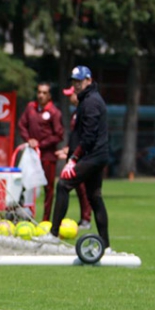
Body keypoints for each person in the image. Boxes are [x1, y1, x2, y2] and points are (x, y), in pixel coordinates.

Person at [41, 66, 110, 250]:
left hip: (93, 156)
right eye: (74, 81)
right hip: (95, 156)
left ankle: (53, 235)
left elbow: (88, 137)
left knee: (63, 184)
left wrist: (73, 159)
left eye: (79, 81)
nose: (76, 85)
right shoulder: (87, 100)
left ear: (88, 80)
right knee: (95, 197)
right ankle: (106, 244)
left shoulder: (91, 102)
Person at [18, 82, 64, 221]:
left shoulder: (54, 112)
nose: (41, 95)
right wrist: (29, 139)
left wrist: (41, 144)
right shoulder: (30, 108)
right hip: (31, 155)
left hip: (47, 156)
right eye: (39, 92)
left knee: (48, 188)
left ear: (49, 95)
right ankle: (24, 215)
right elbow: (22, 125)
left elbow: (58, 135)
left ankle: (46, 220)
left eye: (44, 93)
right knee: (24, 184)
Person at [59, 86, 92, 229]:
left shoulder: (84, 111)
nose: (69, 98)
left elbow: (85, 136)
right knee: (79, 189)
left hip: (82, 157)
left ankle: (86, 219)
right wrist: (68, 149)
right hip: (75, 154)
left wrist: (75, 153)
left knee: (83, 189)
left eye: (71, 95)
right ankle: (84, 218)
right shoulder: (76, 112)